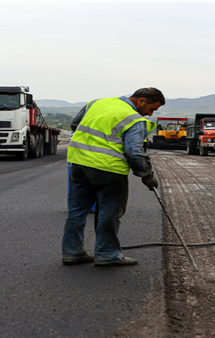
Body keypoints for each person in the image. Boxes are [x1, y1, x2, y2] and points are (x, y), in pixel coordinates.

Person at [61, 88, 164, 267]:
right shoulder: (134, 119)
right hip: (109, 170)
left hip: (79, 163)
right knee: (109, 213)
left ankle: (72, 253)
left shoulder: (97, 103)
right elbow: (134, 152)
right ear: (140, 101)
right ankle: (107, 254)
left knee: (76, 213)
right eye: (151, 109)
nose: (150, 114)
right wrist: (147, 175)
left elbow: (75, 125)